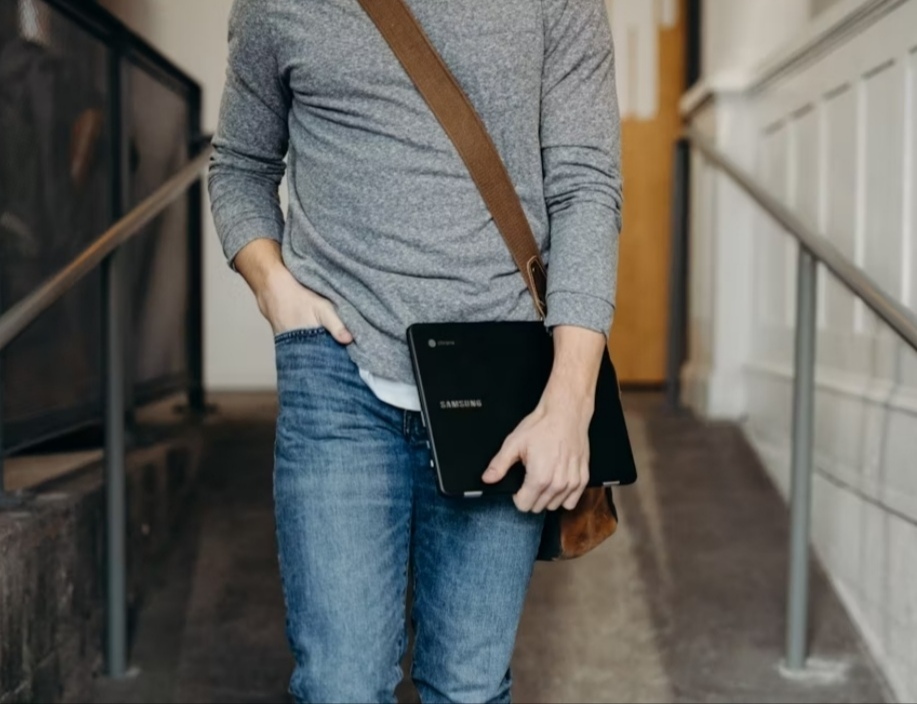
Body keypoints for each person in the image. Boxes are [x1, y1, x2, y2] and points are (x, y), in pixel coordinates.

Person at [209, 1, 623, 701]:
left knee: (467, 686)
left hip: (502, 379)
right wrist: (276, 291)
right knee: (340, 685)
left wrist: (568, 402)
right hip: (337, 369)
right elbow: (239, 165)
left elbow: (585, 188)